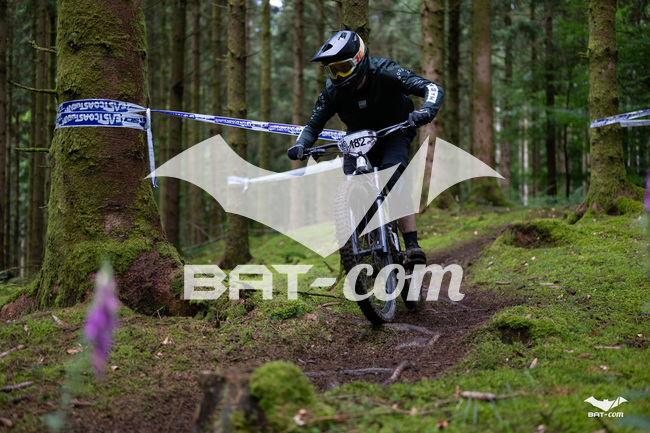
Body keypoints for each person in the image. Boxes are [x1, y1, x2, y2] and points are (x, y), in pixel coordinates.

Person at [287, 30, 443, 265]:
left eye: (343, 68)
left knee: (392, 175)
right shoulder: (332, 91)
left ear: (358, 60)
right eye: (333, 70)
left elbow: (431, 88)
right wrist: (301, 145)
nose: (338, 76)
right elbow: (313, 125)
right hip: (358, 139)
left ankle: (412, 245)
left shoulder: (385, 71)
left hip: (395, 131)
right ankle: (364, 244)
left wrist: (426, 111)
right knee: (351, 183)